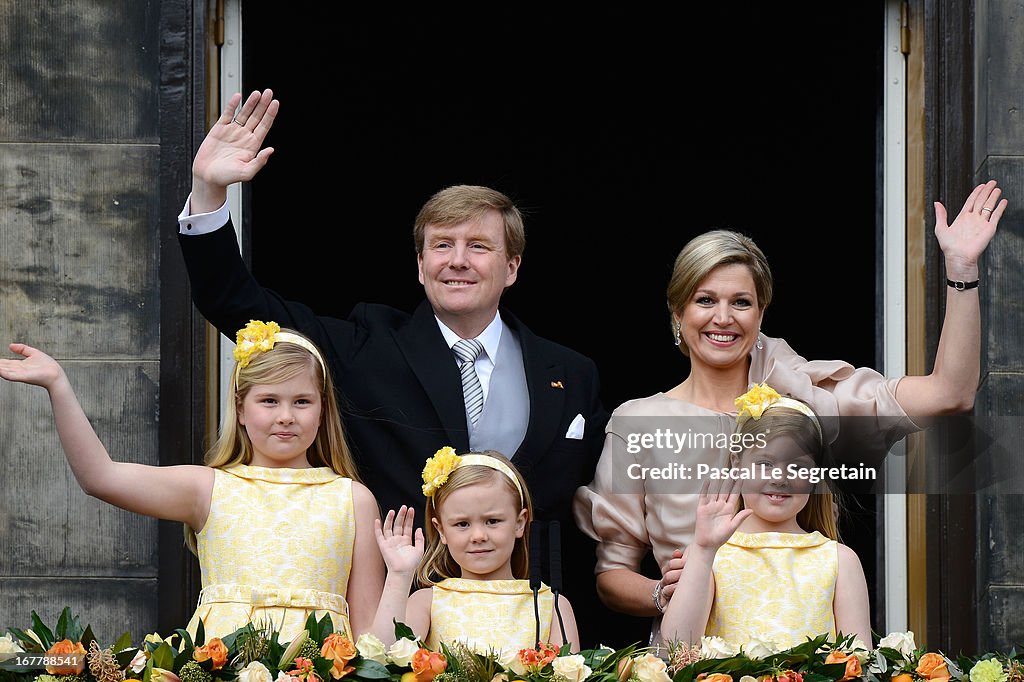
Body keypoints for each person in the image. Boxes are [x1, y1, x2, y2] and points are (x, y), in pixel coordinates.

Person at [176, 90, 611, 644]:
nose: (457, 259)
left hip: (531, 630)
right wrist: (210, 191)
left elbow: (607, 493)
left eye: (478, 246)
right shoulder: (367, 345)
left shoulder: (571, 373)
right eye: (441, 245)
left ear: (513, 267)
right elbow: (239, 307)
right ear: (421, 265)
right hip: (399, 618)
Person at [574, 180, 1006, 641]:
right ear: (677, 312)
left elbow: (950, 393)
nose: (723, 317)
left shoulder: (803, 401)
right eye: (705, 300)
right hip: (693, 659)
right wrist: (664, 593)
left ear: (761, 314)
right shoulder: (636, 422)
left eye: (741, 302)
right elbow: (611, 574)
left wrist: (962, 269)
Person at [0, 320, 385, 642]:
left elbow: (368, 630)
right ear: (240, 408)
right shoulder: (209, 487)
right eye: (269, 401)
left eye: (302, 401)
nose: (286, 415)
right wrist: (58, 385)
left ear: (322, 410)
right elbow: (100, 476)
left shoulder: (352, 498)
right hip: (222, 665)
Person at [659, 384, 871, 650]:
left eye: (796, 467)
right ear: (737, 463)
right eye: (765, 464)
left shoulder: (840, 560)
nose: (780, 478)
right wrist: (702, 550)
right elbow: (676, 647)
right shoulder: (710, 554)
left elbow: (860, 663)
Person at [370, 448, 579, 657]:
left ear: (520, 523)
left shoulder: (551, 604)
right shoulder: (428, 602)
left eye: (492, 521)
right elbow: (382, 659)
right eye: (462, 524)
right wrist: (399, 576)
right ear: (441, 530)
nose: (478, 535)